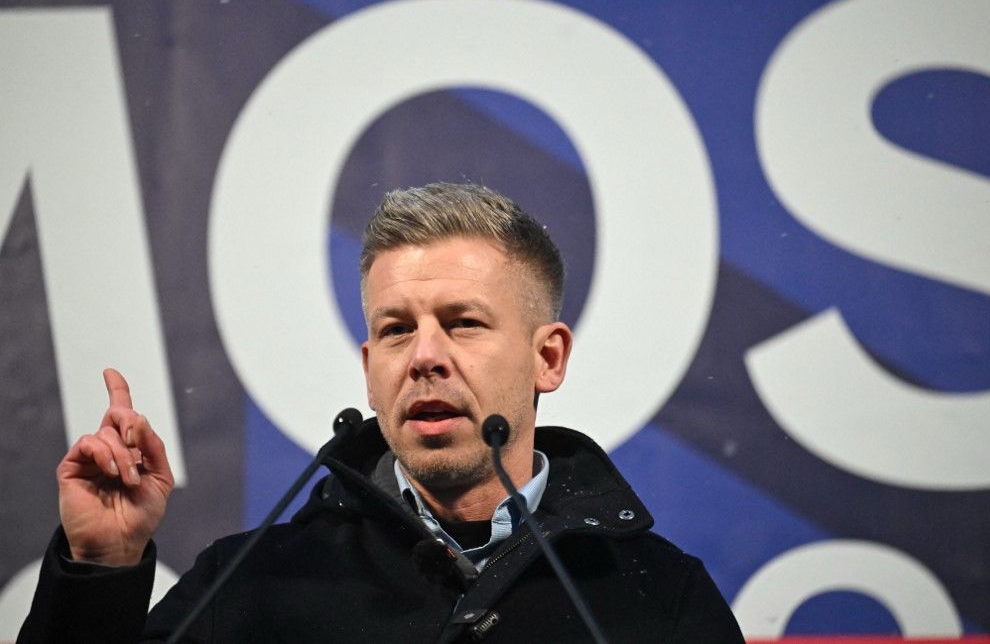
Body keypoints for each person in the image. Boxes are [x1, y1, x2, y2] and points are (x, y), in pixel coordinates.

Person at [19, 183, 744, 643]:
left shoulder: (660, 599)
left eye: (462, 322)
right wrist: (102, 570)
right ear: (370, 372)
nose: (424, 356)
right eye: (396, 330)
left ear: (547, 358)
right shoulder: (249, 584)